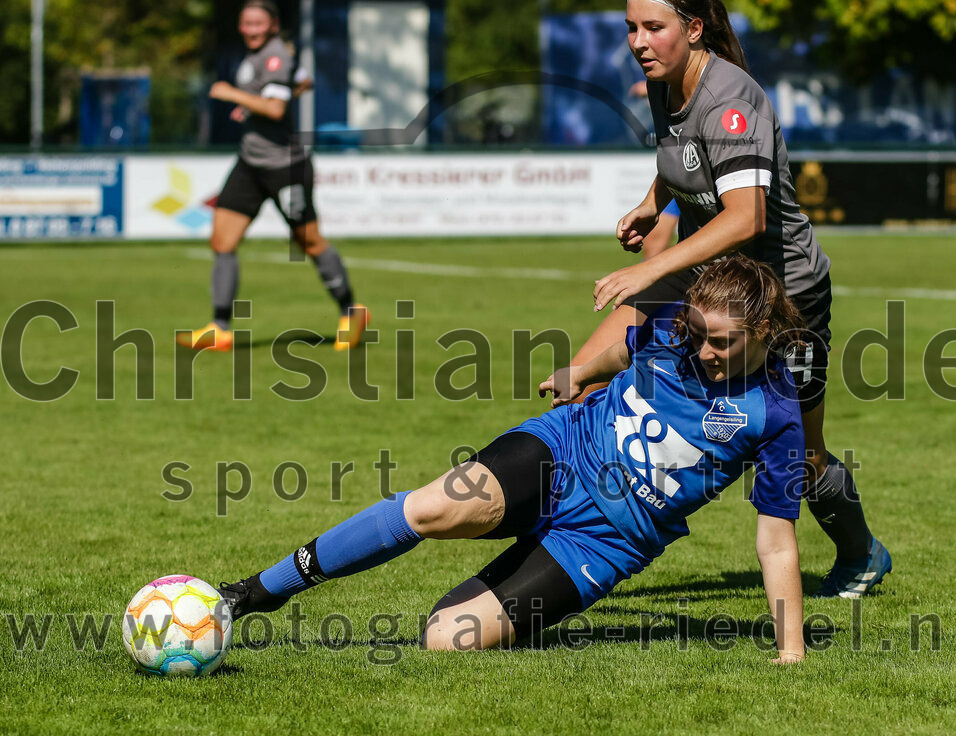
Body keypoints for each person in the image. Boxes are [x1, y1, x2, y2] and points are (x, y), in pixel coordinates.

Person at [218, 256, 808, 663]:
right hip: (563, 454)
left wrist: (791, 650)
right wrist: (580, 371)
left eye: (721, 342)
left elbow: (776, 541)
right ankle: (256, 592)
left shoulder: (776, 414)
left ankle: (529, 560)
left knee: (447, 638)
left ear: (761, 331)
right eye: (697, 333)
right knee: (431, 509)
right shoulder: (676, 330)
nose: (701, 349)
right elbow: (623, 351)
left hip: (608, 541)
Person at [572, 0, 891, 598]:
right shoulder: (665, 83)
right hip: (705, 276)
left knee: (802, 457)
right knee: (581, 381)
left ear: (693, 30)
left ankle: (861, 552)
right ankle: (573, 544)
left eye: (653, 28)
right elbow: (684, 157)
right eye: (631, 29)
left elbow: (747, 218)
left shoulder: (731, 101)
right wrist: (654, 202)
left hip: (782, 295)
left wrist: (652, 268)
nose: (638, 42)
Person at [177, 0, 369, 353]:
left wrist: (233, 94)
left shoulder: (276, 55)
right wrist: (252, 102)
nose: (250, 29)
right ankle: (219, 328)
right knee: (222, 241)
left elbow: (277, 107)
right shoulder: (264, 56)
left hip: (286, 168)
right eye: (245, 22)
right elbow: (303, 82)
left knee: (309, 242)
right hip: (250, 164)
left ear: (272, 25)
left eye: (257, 23)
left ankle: (351, 312)